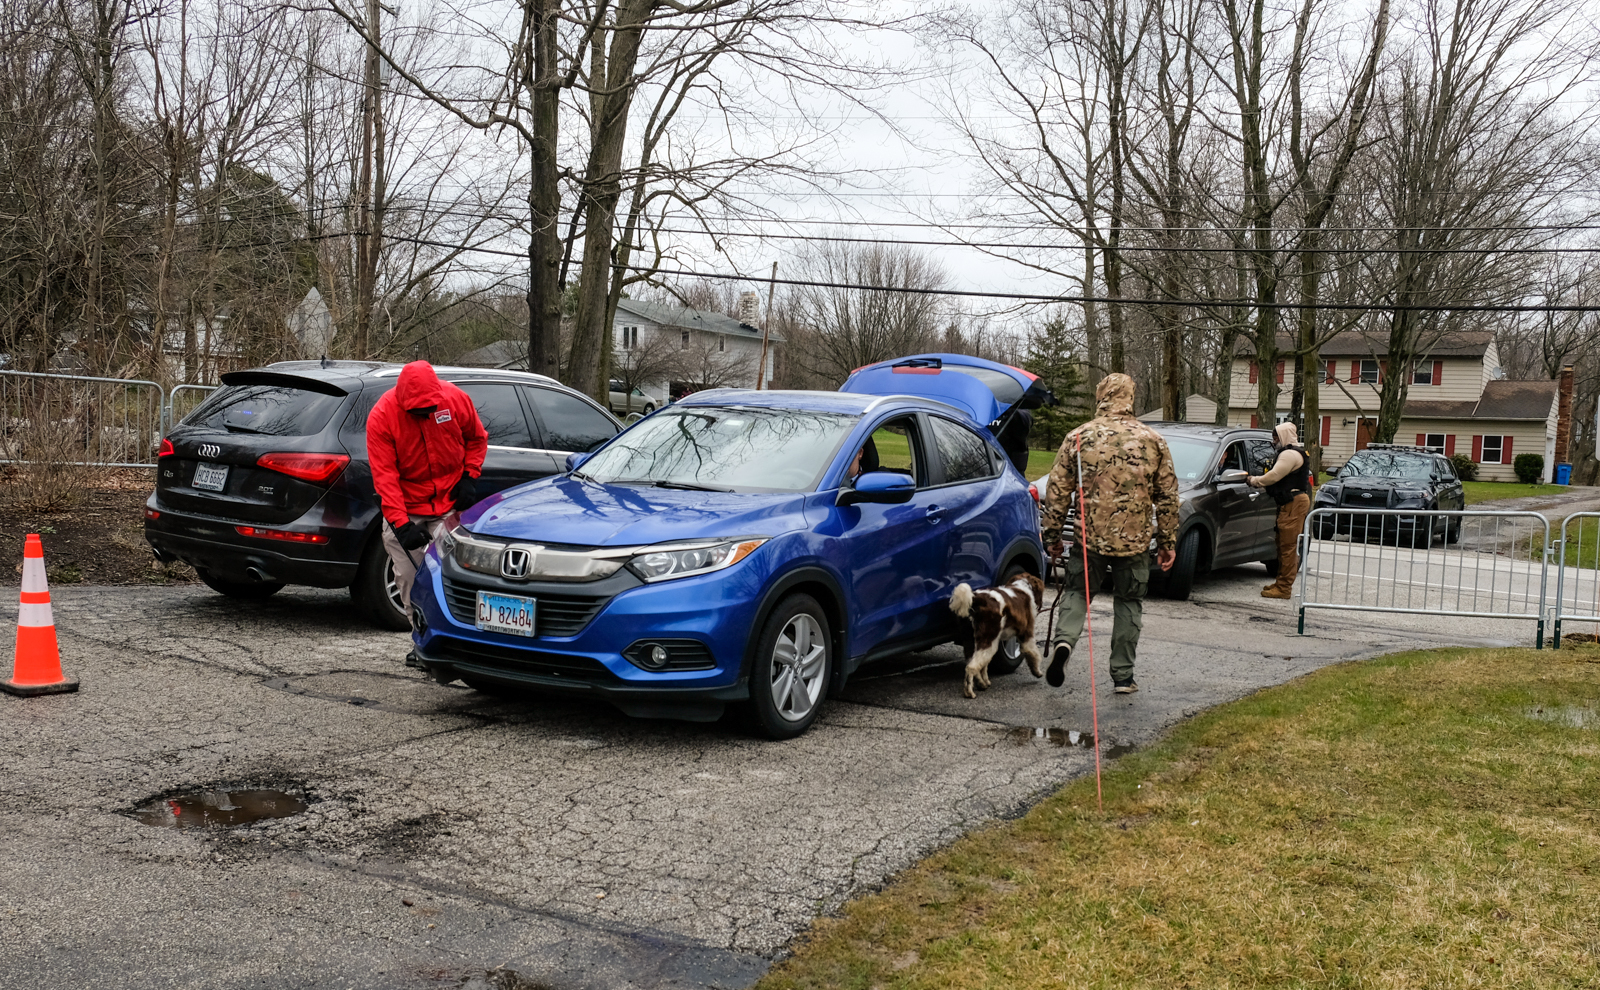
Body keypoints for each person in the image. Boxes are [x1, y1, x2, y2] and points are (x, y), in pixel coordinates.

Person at [1039, 373, 1179, 695]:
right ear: (1131, 398)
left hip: (1089, 539)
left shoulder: (1078, 437)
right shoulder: (1153, 440)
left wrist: (1052, 536)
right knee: (1129, 603)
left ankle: (1064, 644)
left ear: (1100, 396)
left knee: (1076, 592)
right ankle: (1123, 677)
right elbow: (1168, 496)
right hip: (1136, 541)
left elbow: (1057, 490)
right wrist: (1168, 541)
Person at [367, 361, 488, 662]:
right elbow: (385, 477)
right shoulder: (382, 417)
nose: (424, 414)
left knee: (454, 576)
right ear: (403, 401)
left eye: (428, 409)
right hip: (407, 509)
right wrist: (401, 524)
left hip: (448, 506)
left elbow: (477, 438)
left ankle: (463, 642)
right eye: (417, 411)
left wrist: (469, 477)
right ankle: (423, 641)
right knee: (410, 579)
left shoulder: (455, 399)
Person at [1248, 422, 1314, 600]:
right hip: (1289, 502)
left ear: (1283, 436)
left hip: (1294, 503)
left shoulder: (1290, 454)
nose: (1273, 440)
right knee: (1283, 542)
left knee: (1288, 545)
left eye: (1276, 437)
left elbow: (1274, 476)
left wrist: (1254, 480)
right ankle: (1280, 582)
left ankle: (1284, 588)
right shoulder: (1293, 453)